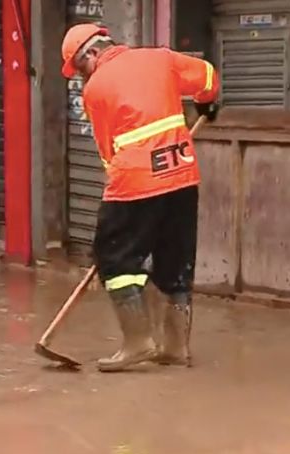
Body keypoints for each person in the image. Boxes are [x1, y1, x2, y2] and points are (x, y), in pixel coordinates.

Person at [60, 23, 220, 372]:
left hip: (135, 180)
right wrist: (206, 106)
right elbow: (208, 76)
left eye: (79, 67)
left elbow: (107, 151)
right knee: (175, 261)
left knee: (113, 258)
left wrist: (116, 184)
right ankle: (176, 348)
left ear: (91, 54)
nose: (80, 76)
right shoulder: (159, 58)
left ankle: (137, 343)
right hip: (182, 175)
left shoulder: (96, 88)